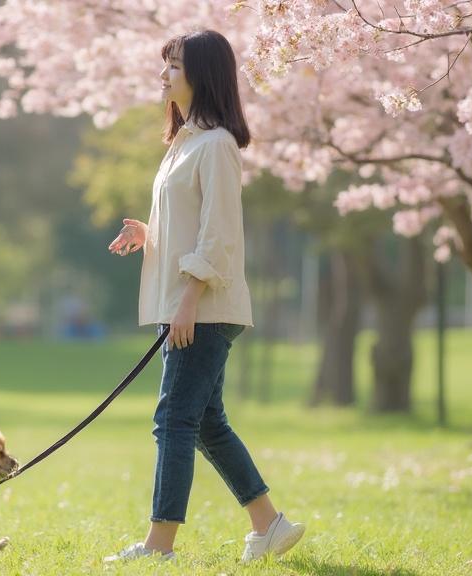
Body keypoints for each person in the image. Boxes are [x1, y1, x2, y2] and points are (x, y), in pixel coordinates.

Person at [103, 29, 305, 563]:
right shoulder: (186, 143)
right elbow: (193, 226)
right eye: (165, 64)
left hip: (201, 307)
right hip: (190, 303)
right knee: (205, 423)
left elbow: (218, 233)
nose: (163, 74)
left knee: (173, 421)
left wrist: (189, 299)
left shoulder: (216, 145)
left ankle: (159, 546)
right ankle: (270, 525)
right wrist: (150, 234)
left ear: (202, 74)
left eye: (174, 65)